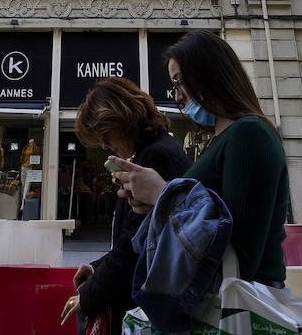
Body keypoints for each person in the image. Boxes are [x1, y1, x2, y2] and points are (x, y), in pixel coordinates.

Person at [111, 30, 289, 287]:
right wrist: (154, 205)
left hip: (242, 309)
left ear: (212, 73)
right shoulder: (221, 140)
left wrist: (163, 195)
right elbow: (208, 218)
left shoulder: (249, 134)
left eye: (179, 82)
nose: (177, 97)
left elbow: (239, 255)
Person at [61, 77, 192, 332]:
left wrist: (88, 297)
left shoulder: (154, 157)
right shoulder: (155, 151)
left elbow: (134, 248)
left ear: (121, 120)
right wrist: (96, 269)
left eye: (105, 135)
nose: (104, 145)